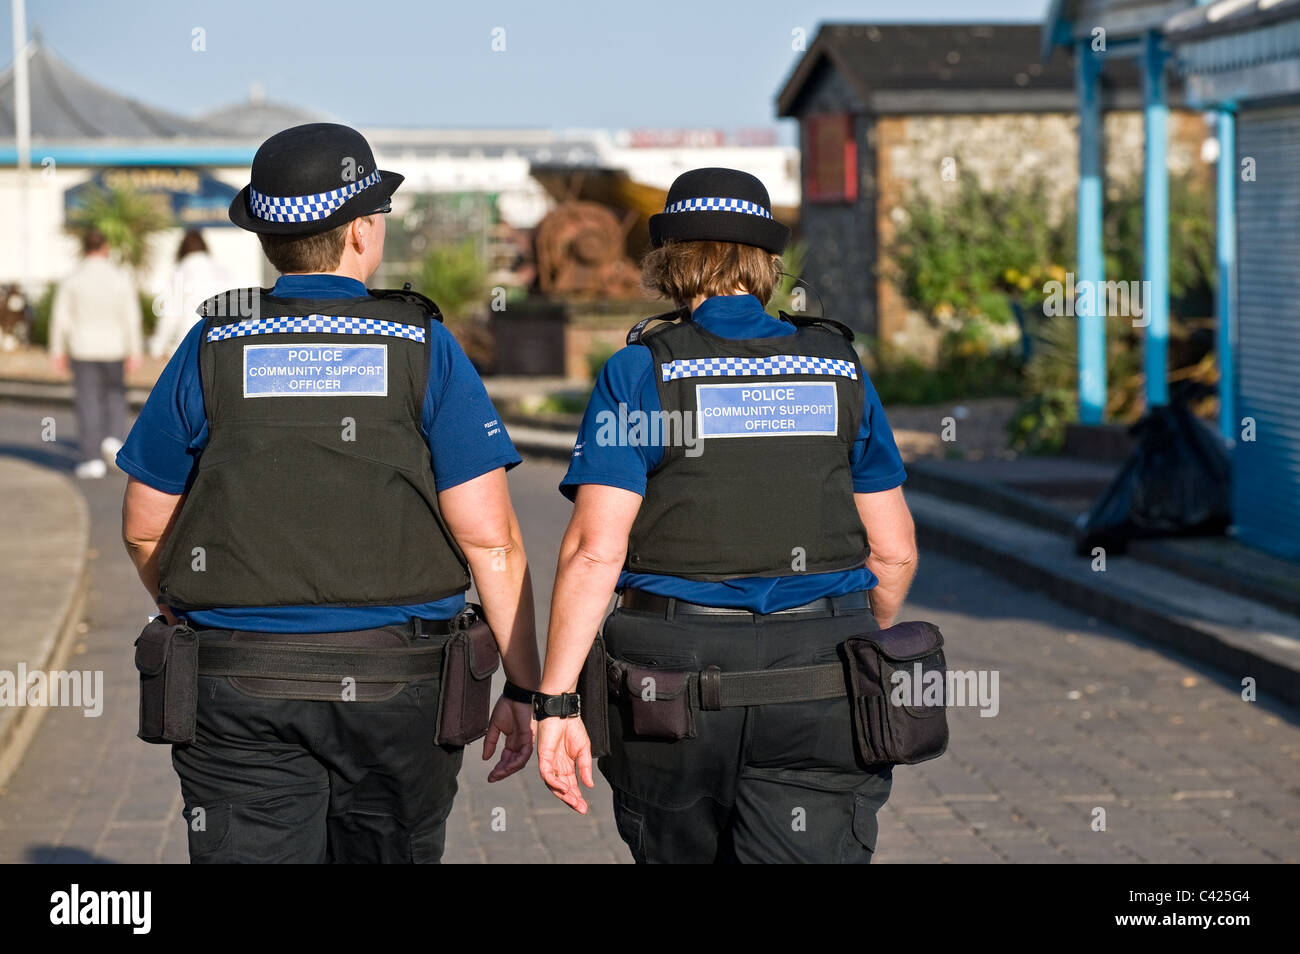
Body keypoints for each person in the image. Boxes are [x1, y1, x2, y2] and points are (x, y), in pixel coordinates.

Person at [117, 123, 540, 863]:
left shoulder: (212, 344)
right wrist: (529, 689)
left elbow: (144, 528)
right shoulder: (423, 346)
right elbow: (491, 540)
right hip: (399, 691)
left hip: (235, 686)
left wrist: (183, 603)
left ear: (267, 240)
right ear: (364, 233)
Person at [534, 168, 919, 863]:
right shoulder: (837, 366)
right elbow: (892, 553)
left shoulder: (641, 371)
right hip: (822, 674)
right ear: (767, 264)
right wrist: (859, 640)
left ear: (670, 262)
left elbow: (596, 550)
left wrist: (556, 702)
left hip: (670, 689)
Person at [49, 227, 142, 478]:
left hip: (83, 348)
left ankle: (92, 459)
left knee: (88, 401)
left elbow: (60, 318)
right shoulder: (120, 277)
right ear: (106, 247)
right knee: (115, 395)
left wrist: (58, 349)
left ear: (84, 247)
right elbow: (131, 318)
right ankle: (113, 440)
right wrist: (135, 350)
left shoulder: (72, 278)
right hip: (115, 348)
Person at [150, 229, 232, 359]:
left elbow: (171, 310)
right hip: (220, 340)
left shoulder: (183, 269)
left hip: (190, 338)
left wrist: (158, 345)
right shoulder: (221, 269)